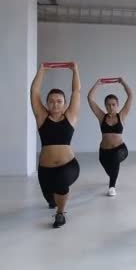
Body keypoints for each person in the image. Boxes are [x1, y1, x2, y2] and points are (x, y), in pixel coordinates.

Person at [30, 62, 81, 228]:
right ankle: (54, 203)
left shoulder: (70, 116)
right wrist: (42, 70)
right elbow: (34, 91)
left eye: (59, 101)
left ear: (65, 104)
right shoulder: (41, 117)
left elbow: (76, 91)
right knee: (50, 199)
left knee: (61, 184)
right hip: (45, 170)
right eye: (51, 101)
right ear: (46, 103)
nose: (55, 104)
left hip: (69, 165)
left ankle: (60, 214)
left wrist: (74, 70)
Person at [87, 78, 133, 196]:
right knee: (110, 169)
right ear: (105, 106)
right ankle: (113, 176)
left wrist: (123, 82)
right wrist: (98, 83)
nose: (111, 107)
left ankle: (112, 187)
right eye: (108, 105)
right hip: (104, 151)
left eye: (113, 104)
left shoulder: (121, 116)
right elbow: (90, 98)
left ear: (117, 105)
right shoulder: (102, 117)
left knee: (115, 159)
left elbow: (130, 95)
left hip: (120, 149)